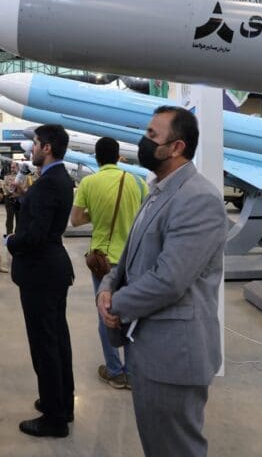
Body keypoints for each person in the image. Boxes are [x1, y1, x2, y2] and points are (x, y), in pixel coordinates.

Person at [97, 106, 226, 457]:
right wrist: (109, 284)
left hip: (175, 356)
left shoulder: (197, 197)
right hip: (150, 349)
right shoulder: (158, 190)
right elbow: (130, 255)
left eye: (153, 135)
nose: (144, 140)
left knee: (175, 449)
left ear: (177, 147)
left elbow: (169, 280)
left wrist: (115, 305)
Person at [5, 124, 76, 438]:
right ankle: (60, 402)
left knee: (45, 344)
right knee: (57, 338)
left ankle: (54, 418)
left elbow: (34, 235)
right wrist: (22, 198)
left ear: (46, 147)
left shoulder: (49, 183)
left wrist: (10, 241)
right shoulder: (54, 179)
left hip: (41, 270)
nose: (31, 148)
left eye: (34, 143)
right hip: (51, 269)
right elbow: (41, 218)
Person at [70, 137, 147, 390]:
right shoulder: (137, 181)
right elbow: (147, 216)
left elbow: (77, 221)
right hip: (134, 259)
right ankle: (135, 371)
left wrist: (97, 212)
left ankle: (115, 370)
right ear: (119, 157)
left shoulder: (89, 183)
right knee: (134, 313)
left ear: (96, 157)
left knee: (106, 313)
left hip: (103, 261)